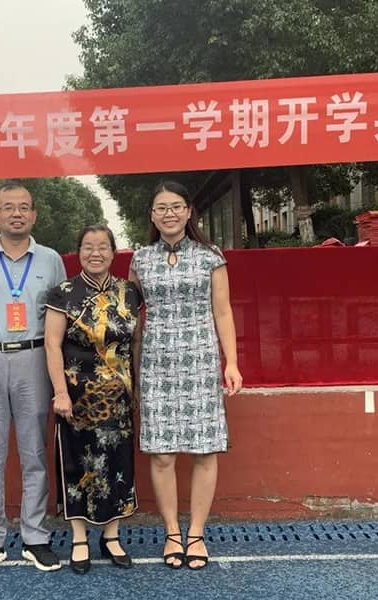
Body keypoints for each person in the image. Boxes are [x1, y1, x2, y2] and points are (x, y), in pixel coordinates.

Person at [129, 180, 243, 571]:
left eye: (176, 206)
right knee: (162, 454)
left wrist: (231, 362)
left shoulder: (210, 256)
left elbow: (223, 311)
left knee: (204, 451)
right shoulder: (141, 259)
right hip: (156, 363)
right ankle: (171, 532)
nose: (169, 214)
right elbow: (131, 317)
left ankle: (195, 533)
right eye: (161, 208)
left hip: (200, 361)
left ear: (189, 211)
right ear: (152, 215)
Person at [0, 181, 66, 577]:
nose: (16, 214)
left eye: (23, 207)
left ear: (34, 214)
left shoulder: (51, 260)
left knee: (34, 452)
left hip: (34, 359)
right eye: (8, 207)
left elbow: (60, 319)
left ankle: (35, 537)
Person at [44, 225, 141, 575]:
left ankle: (111, 535)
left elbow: (135, 342)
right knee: (78, 463)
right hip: (76, 396)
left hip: (118, 395)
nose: (95, 253)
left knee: (117, 462)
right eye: (88, 246)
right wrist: (59, 391)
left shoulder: (129, 292)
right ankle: (79, 537)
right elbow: (52, 345)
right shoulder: (63, 293)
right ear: (79, 251)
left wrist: (136, 388)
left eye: (102, 247)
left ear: (114, 252)